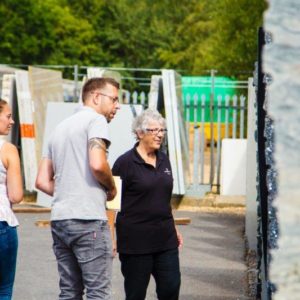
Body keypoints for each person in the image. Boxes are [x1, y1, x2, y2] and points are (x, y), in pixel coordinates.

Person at [35, 77, 120, 300]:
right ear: (96, 97)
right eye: (114, 99)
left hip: (61, 219)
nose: (117, 106)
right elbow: (97, 164)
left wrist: (69, 190)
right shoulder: (96, 121)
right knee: (97, 293)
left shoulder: (59, 128)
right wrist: (111, 188)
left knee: (69, 292)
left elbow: (42, 181)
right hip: (88, 219)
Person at [112, 108, 183, 300]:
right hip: (136, 243)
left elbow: (163, 198)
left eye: (162, 130)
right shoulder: (124, 163)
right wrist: (111, 237)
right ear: (140, 133)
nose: (160, 135)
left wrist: (173, 227)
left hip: (165, 239)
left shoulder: (164, 159)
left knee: (171, 288)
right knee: (136, 294)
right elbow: (111, 203)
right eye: (154, 130)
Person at [0, 99, 23, 299]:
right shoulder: (7, 150)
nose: (12, 121)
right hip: (1, 222)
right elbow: (15, 195)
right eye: (8, 116)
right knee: (3, 289)